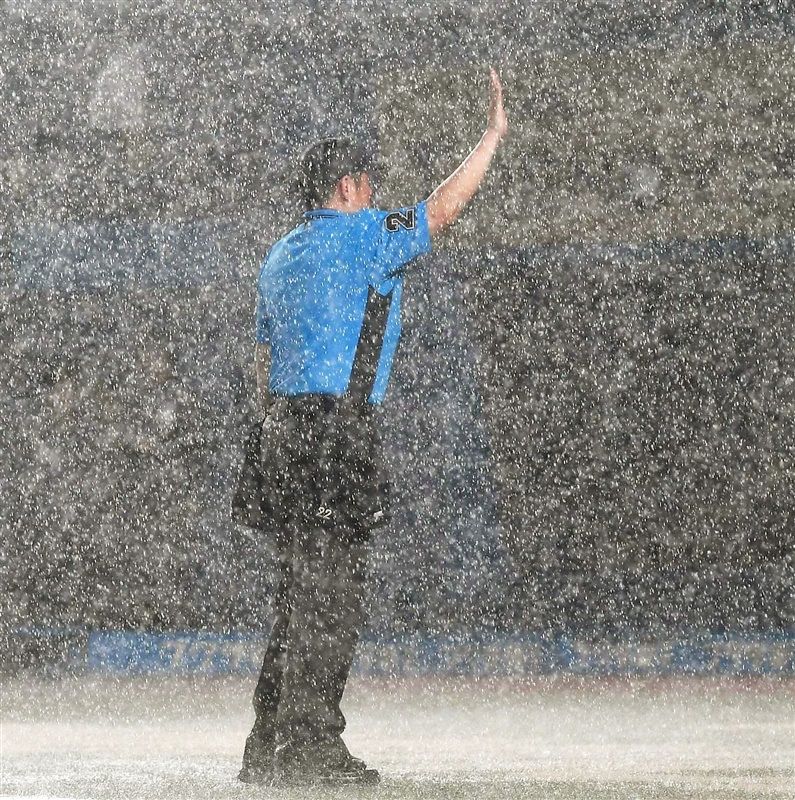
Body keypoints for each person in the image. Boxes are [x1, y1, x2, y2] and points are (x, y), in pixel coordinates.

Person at [239, 68, 508, 786]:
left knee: (297, 595)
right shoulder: (364, 235)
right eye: (369, 184)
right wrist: (489, 139)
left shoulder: (278, 255)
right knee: (331, 601)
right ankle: (310, 747)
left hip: (279, 434)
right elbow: (440, 210)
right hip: (333, 433)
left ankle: (265, 744)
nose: (375, 195)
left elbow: (263, 356)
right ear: (351, 188)